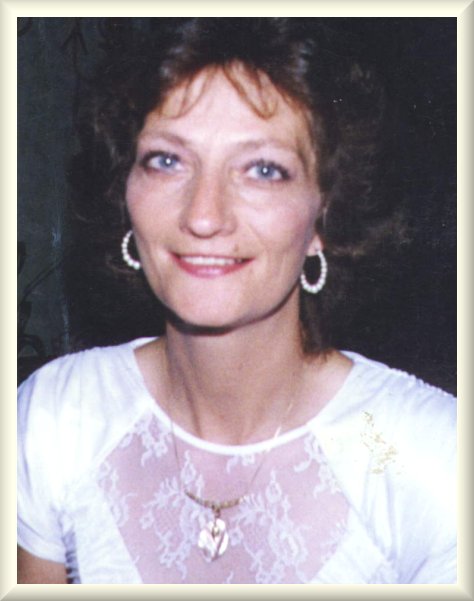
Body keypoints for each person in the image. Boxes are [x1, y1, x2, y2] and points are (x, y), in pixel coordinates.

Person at [17, 18, 456, 584]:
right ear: (125, 190)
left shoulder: (429, 461)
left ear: (325, 215)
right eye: (167, 160)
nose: (204, 216)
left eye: (263, 170)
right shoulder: (56, 419)